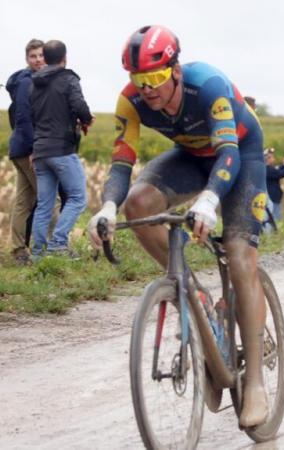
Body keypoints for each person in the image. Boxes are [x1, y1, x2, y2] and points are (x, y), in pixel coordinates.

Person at [86, 25, 268, 427]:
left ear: (176, 69)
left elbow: (227, 153)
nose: (147, 89)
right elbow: (121, 163)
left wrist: (209, 199)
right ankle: (194, 292)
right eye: (138, 80)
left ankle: (253, 381)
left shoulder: (208, 86)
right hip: (190, 155)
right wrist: (107, 207)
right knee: (138, 202)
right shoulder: (130, 101)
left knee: (240, 257)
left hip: (239, 155)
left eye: (154, 78)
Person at [29, 40, 91, 259]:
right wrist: (86, 120)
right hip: (62, 150)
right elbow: (80, 106)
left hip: (40, 151)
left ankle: (37, 253)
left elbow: (34, 117)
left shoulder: (33, 83)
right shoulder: (68, 79)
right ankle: (58, 244)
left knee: (44, 204)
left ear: (44, 58)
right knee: (78, 198)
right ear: (64, 57)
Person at [6, 39, 45, 264]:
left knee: (24, 200)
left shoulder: (33, 80)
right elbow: (24, 118)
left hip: (21, 148)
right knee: (50, 198)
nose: (38, 60)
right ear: (27, 59)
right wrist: (34, 148)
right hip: (27, 149)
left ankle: (18, 251)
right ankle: (52, 248)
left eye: (41, 55)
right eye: (33, 56)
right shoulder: (25, 84)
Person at [265, 148, 284, 222]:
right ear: (268, 159)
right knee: (276, 218)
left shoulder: (268, 169)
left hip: (272, 196)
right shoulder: (268, 170)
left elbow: (277, 171)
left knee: (274, 216)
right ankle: (274, 232)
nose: (274, 159)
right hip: (272, 197)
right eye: (272, 157)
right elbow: (280, 173)